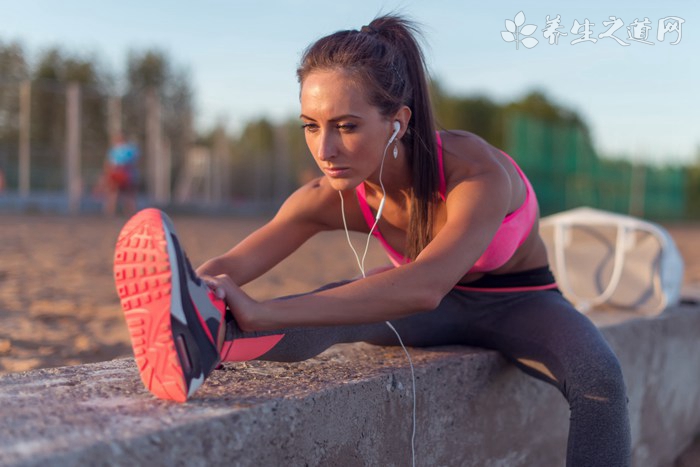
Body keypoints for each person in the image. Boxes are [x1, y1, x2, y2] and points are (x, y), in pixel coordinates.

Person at [114, 14, 630, 466]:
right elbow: (238, 261)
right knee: (325, 311)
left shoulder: (476, 174)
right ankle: (206, 343)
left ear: (397, 122)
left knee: (600, 379)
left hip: (520, 303)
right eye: (310, 127)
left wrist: (263, 310)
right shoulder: (327, 193)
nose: (326, 147)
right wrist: (195, 289)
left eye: (347, 125)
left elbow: (424, 285)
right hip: (435, 306)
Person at [102, 134, 139, 216]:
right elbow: (134, 163)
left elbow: (110, 164)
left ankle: (110, 211)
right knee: (127, 194)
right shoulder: (130, 149)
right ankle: (129, 212)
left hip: (120, 172)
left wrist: (107, 174)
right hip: (126, 173)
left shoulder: (116, 150)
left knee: (114, 193)